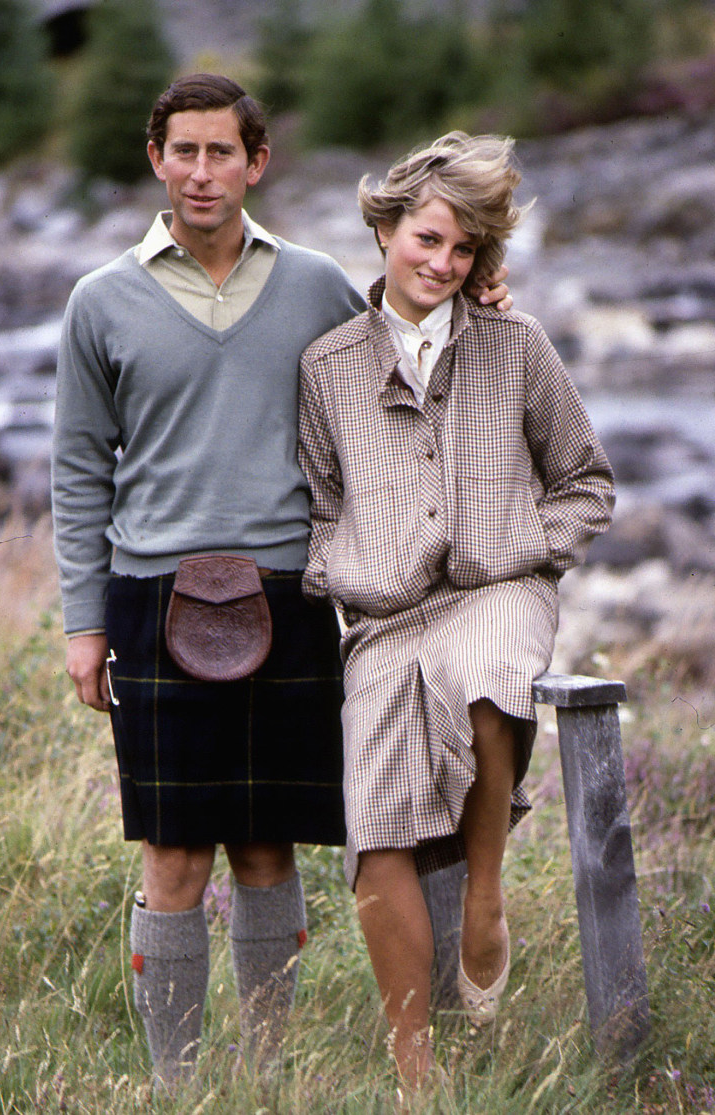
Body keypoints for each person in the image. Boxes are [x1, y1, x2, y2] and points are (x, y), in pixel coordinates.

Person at [51, 75, 513, 1092]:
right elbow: (80, 471)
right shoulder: (100, 302)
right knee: (173, 853)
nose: (202, 172)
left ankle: (266, 1073)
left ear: (256, 161)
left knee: (266, 847)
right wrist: (86, 623)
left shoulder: (310, 284)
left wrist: (479, 303)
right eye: (185, 152)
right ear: (155, 158)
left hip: (287, 592)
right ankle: (175, 1085)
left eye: (223, 152)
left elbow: (403, 355)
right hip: (153, 595)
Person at [298, 131, 615, 1087]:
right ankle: (414, 1068)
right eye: (427, 239)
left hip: (501, 592)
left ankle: (484, 894)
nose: (441, 263)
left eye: (464, 249)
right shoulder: (328, 367)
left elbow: (586, 482)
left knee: (485, 681)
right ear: (386, 227)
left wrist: (524, 549)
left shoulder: (517, 346)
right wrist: (345, 570)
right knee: (378, 825)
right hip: (386, 619)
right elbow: (317, 506)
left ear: (485, 261)